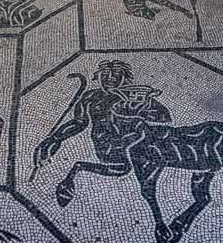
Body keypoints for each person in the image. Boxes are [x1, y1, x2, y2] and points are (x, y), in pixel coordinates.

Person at [33, 60, 171, 206]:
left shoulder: (134, 96)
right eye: (105, 74)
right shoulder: (90, 97)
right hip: (106, 151)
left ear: (125, 77)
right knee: (118, 166)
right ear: (98, 77)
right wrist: (52, 141)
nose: (110, 78)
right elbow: (78, 123)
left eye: (116, 74)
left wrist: (138, 109)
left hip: (132, 148)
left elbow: (164, 117)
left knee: (133, 156)